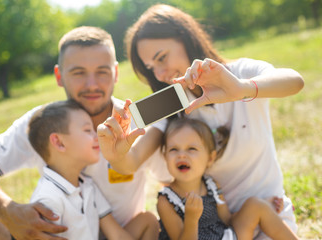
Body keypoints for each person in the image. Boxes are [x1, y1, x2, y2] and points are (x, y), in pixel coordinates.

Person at [97, 4, 304, 239]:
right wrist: (115, 153)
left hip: (268, 214)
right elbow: (131, 162)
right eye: (151, 68)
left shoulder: (240, 72)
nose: (160, 74)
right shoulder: (171, 105)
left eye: (162, 58)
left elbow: (295, 81)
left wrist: (241, 89)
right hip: (214, 227)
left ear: (186, 37)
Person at [0, 26, 170, 239]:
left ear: (115, 73)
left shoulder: (140, 118)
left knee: (149, 219)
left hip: (120, 234)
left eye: (102, 71)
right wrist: (7, 210)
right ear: (59, 76)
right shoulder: (45, 121)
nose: (92, 84)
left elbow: (175, 181)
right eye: (78, 73)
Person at [27, 100, 158, 240]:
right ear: (59, 142)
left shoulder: (87, 185)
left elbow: (118, 236)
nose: (97, 136)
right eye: (88, 130)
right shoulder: (47, 201)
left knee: (148, 220)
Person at [157, 117, 298, 240]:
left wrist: (266, 204)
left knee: (255, 205)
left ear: (210, 158)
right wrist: (191, 219)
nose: (181, 155)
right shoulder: (167, 200)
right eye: (173, 149)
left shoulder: (211, 185)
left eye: (191, 149)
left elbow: (227, 220)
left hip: (226, 237)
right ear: (165, 157)